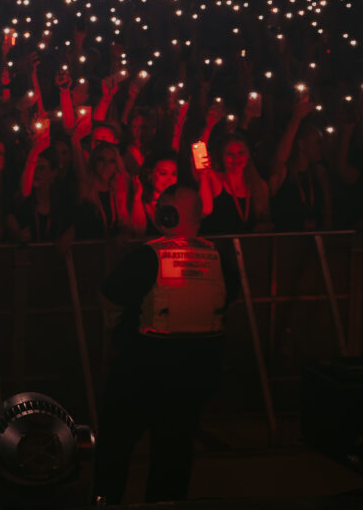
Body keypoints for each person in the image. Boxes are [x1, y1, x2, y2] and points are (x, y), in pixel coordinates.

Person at [94, 182, 237, 503]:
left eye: (166, 206)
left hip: (140, 372)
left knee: (116, 445)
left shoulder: (148, 256)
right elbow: (228, 303)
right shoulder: (219, 261)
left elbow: (109, 297)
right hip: (194, 377)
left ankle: (106, 502)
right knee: (174, 451)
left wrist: (120, 331)